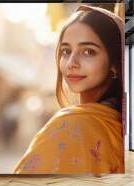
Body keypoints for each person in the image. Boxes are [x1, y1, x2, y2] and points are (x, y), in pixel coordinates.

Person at [13, 5, 125, 174]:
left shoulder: (72, 125)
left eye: (88, 51)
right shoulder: (121, 124)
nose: (71, 62)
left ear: (115, 64)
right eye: (66, 51)